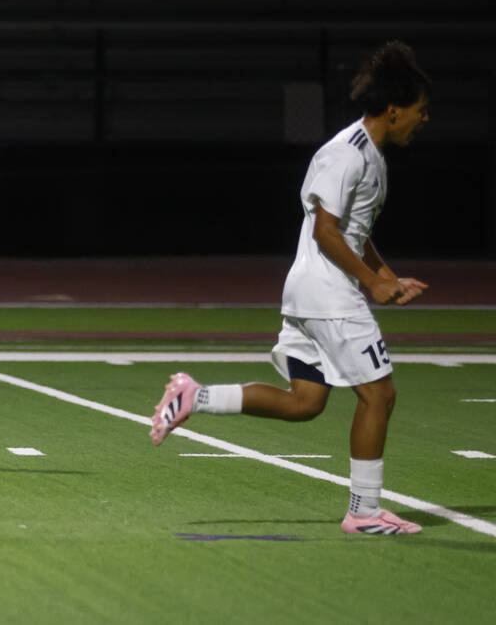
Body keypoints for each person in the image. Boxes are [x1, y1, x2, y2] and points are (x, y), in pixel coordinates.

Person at [150, 41, 431, 535]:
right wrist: (370, 284)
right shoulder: (349, 154)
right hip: (328, 294)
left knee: (306, 402)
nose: (422, 120)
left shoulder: (372, 157)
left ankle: (196, 396)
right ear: (393, 110)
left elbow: (354, 234)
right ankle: (364, 512)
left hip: (310, 293)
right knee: (379, 396)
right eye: (419, 111)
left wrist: (386, 278)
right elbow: (327, 232)